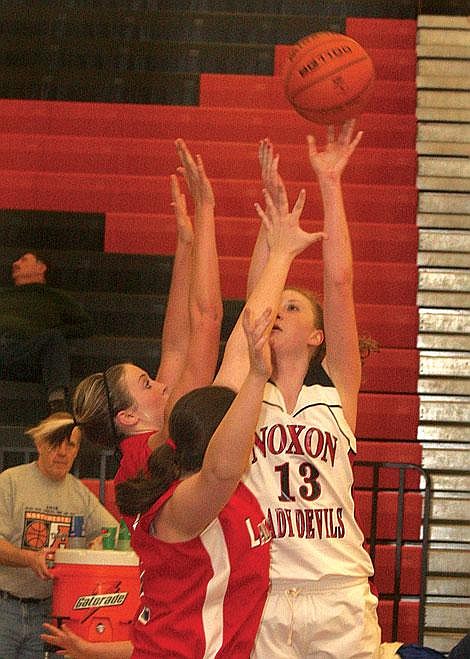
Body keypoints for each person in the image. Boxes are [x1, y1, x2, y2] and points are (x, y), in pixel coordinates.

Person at [40, 142, 325, 658]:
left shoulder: (154, 442)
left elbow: (180, 337)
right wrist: (245, 236)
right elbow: (211, 322)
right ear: (130, 416)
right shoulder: (173, 448)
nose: (163, 382)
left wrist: (189, 239)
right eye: (149, 383)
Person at [212, 119, 383, 658]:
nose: (277, 312)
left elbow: (339, 283)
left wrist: (330, 184)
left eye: (293, 307)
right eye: (276, 305)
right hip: (264, 590)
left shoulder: (336, 389)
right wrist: (274, 230)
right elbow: (253, 308)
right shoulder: (246, 390)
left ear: (316, 335)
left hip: (340, 593)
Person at [0, 412, 118, 658]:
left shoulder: (80, 494)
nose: (63, 452)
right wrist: (31, 558)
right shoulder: (9, 482)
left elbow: (115, 531)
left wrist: (100, 543)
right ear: (39, 443)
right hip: (4, 606)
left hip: (47, 611)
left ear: (77, 450)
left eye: (71, 444)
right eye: (55, 443)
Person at [0, 250, 94, 413]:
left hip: (25, 352)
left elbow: (86, 325)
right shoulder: (4, 294)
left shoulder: (56, 297)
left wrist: (53, 331)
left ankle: (57, 404)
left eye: (23, 260)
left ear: (41, 267)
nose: (15, 264)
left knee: (53, 338)